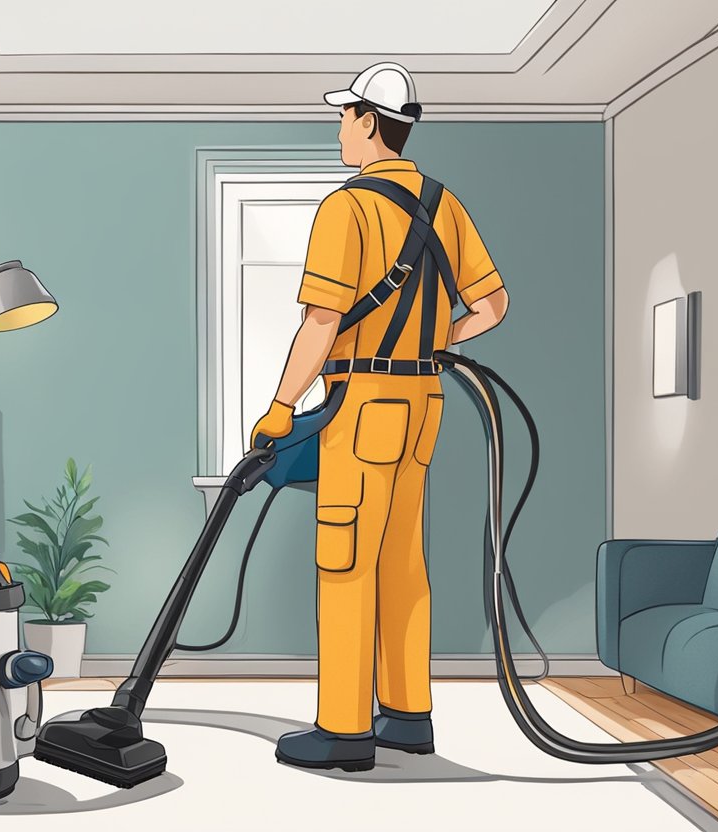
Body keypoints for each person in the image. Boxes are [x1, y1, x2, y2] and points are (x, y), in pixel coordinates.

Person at [250, 62, 510, 772]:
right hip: (424, 404)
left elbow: (323, 320)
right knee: (402, 559)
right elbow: (491, 306)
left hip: (360, 403)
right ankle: (406, 716)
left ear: (369, 121)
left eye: (344, 116)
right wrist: (434, 340)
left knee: (346, 559)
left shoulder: (349, 208)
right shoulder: (442, 203)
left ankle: (343, 729)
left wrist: (278, 409)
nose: (337, 128)